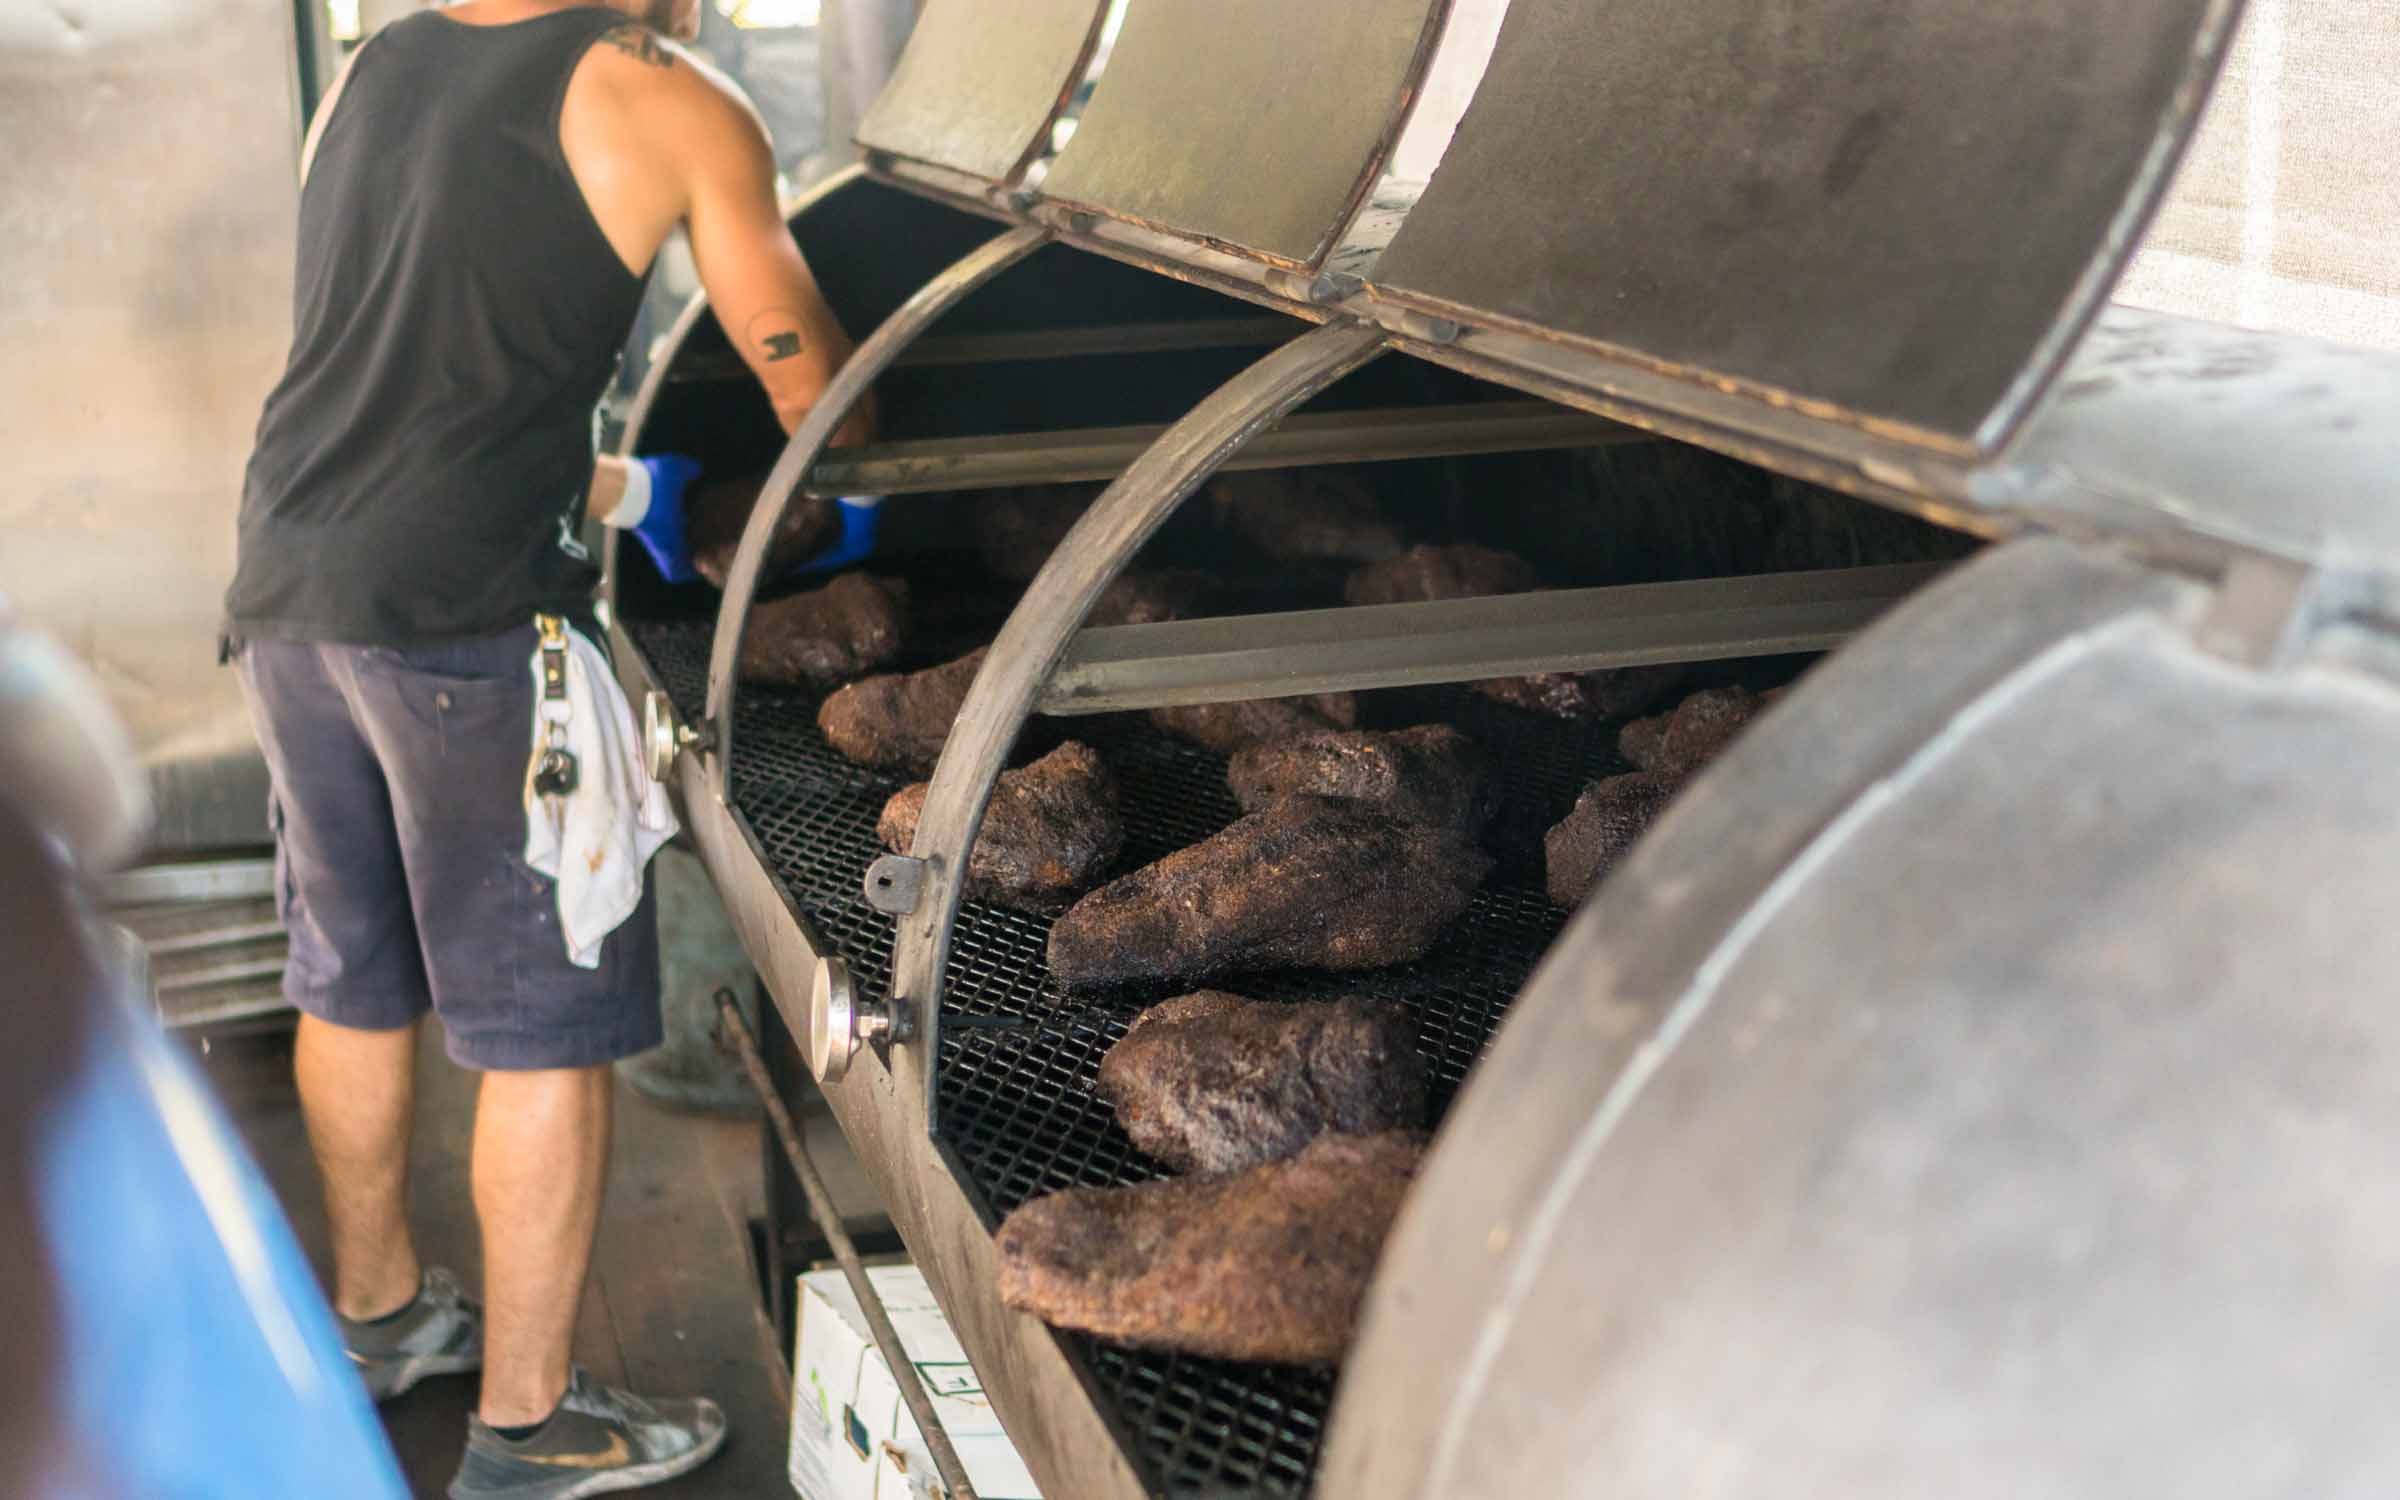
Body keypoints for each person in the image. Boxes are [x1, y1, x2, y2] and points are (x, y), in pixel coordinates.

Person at [220, 2, 867, 1494]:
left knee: (353, 976)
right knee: (546, 1024)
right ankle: (528, 1429)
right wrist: (867, 463)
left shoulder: (370, 68)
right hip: (463, 624)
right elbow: (816, 397)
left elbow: (409, 365)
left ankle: (377, 1321)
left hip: (289, 584)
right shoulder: (674, 102)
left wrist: (627, 484)